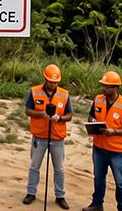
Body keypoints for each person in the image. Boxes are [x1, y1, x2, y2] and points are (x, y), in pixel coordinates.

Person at [83, 71, 122, 211]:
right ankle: (97, 204)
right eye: (103, 85)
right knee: (98, 179)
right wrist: (93, 121)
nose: (103, 89)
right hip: (99, 147)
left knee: (121, 183)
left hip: (117, 151)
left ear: (115, 87)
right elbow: (91, 115)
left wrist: (115, 132)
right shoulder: (98, 99)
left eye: (106, 86)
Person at [23, 63, 72, 208]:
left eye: (56, 82)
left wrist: (60, 118)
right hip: (39, 136)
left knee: (59, 169)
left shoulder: (64, 94)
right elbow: (27, 111)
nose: (53, 84)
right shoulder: (35, 92)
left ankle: (60, 196)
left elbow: (69, 115)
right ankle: (31, 193)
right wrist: (41, 114)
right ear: (45, 78)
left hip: (57, 137)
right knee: (34, 166)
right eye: (51, 81)